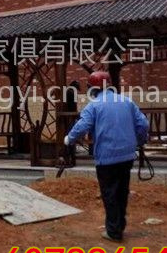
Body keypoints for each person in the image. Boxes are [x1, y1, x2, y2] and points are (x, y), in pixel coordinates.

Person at [64, 70, 149, 242]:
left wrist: (69, 139)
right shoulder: (127, 101)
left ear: (93, 89)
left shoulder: (93, 106)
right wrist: (139, 140)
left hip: (106, 157)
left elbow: (82, 126)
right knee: (122, 191)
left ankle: (114, 231)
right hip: (126, 156)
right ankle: (119, 225)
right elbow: (143, 124)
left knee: (110, 193)